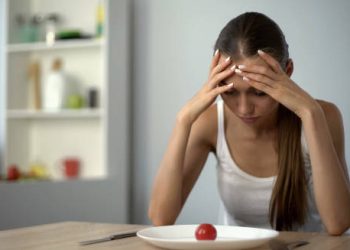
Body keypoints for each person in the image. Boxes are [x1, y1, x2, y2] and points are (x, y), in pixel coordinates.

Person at [148, 12, 350, 235]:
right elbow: (161, 217)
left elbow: (338, 223)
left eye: (259, 92)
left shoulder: (322, 116)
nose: (244, 109)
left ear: (288, 72)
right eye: (230, 92)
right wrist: (183, 120)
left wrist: (310, 113)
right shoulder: (210, 123)